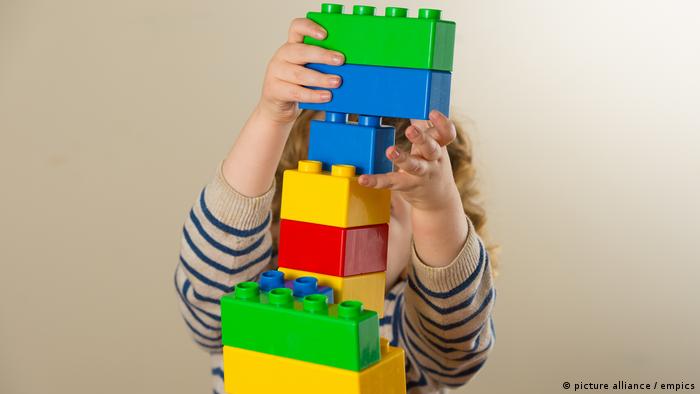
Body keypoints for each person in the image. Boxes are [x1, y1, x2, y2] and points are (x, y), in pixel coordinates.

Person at [174, 17, 497, 394]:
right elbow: (208, 294)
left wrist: (437, 208)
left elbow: (453, 354)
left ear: (416, 249)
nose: (343, 224)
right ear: (278, 219)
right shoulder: (255, 291)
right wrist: (271, 117)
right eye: (317, 200)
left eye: (381, 212)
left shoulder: (406, 319)